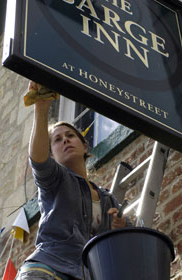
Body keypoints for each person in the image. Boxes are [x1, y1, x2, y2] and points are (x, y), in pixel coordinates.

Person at [16, 81, 129, 280]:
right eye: (57, 140)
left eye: (70, 135)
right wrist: (41, 109)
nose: (65, 140)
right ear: (51, 155)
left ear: (84, 146)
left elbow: (127, 244)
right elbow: (38, 160)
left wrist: (120, 226)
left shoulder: (108, 200)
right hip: (46, 270)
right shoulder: (55, 179)